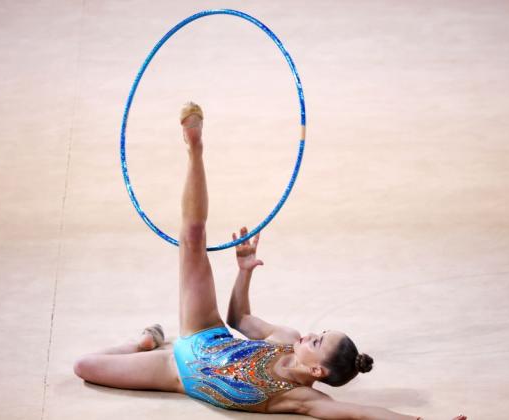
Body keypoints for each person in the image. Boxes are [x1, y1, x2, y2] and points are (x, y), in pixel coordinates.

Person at [73, 102, 466, 420]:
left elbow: (360, 414)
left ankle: (142, 342)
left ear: (317, 371)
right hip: (205, 334)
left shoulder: (301, 399)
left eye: (317, 341)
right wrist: (243, 273)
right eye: (319, 332)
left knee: (85, 366)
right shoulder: (284, 339)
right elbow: (239, 318)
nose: (308, 335)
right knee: (191, 239)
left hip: (176, 373)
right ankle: (195, 147)